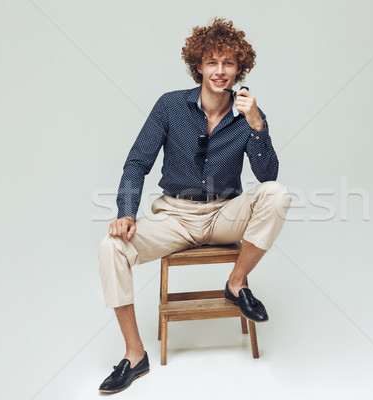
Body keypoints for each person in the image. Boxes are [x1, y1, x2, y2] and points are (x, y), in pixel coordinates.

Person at [97, 17, 292, 394]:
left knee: (278, 194)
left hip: (224, 214)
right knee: (111, 248)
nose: (220, 72)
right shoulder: (170, 106)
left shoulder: (248, 114)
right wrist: (125, 213)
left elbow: (267, 175)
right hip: (175, 216)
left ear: (240, 69)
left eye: (229, 64)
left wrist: (256, 123)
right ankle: (135, 355)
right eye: (212, 62)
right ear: (198, 65)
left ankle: (235, 285)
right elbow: (137, 162)